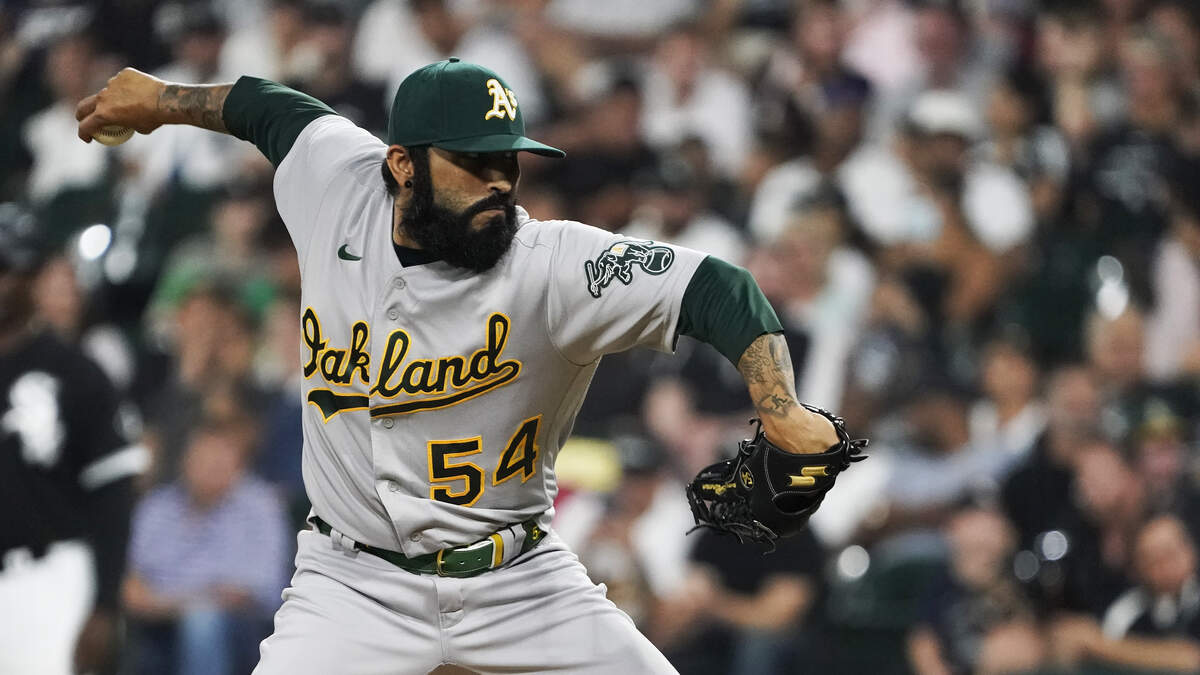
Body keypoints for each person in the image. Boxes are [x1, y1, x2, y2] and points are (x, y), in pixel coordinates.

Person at [76, 59, 844, 673]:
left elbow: (718, 286)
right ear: (402, 164)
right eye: (472, 163)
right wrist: (164, 100)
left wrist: (780, 404)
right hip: (353, 583)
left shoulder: (550, 264)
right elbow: (268, 108)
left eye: (506, 161)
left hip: (519, 579)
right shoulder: (338, 185)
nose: (499, 183)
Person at [0, 202, 146, 674]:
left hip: (50, 578)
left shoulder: (75, 372)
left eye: (13, 269)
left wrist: (105, 605)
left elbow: (113, 493)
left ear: (35, 278)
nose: (3, 282)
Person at [123, 416, 290, 675]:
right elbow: (132, 590)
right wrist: (190, 601)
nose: (211, 467)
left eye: (220, 459)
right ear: (185, 460)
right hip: (159, 628)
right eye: (203, 457)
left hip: (240, 628)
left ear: (239, 464)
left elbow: (249, 591)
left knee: (202, 622)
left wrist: (168, 603)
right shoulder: (156, 506)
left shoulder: (260, 506)